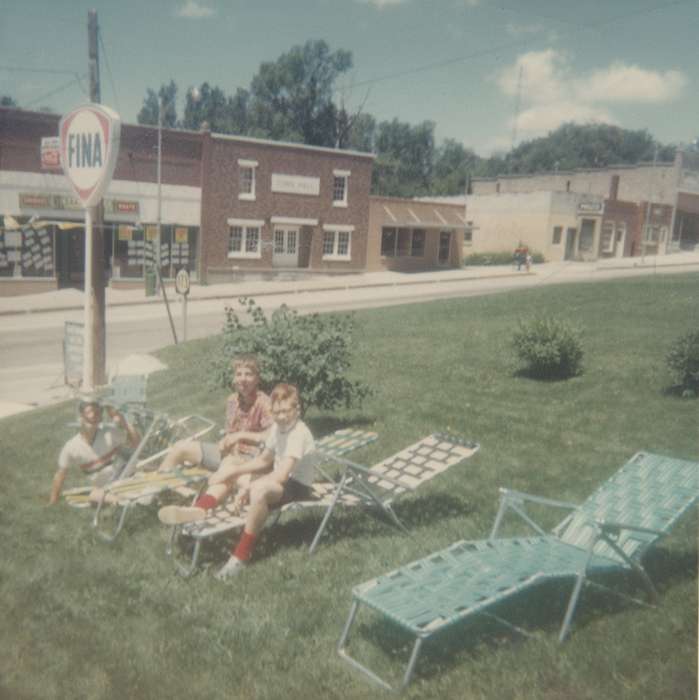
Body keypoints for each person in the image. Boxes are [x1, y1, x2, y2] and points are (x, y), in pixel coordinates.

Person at [158, 383, 316, 580]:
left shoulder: (298, 434)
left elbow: (282, 475)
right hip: (278, 479)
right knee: (230, 466)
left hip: (297, 487)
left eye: (286, 411)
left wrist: (249, 487)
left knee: (259, 490)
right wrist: (231, 472)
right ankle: (199, 509)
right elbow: (264, 460)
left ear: (297, 409)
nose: (282, 417)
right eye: (277, 412)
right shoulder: (278, 428)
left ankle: (240, 557)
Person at [156, 355, 273, 506]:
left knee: (226, 468)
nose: (242, 379)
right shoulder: (232, 400)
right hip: (227, 453)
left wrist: (241, 436)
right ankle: (164, 493)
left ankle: (197, 505)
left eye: (248, 374)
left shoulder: (264, 403)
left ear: (257, 379)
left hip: (249, 459)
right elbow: (230, 431)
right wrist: (227, 441)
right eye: (239, 374)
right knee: (180, 447)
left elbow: (271, 436)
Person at [49, 399, 142, 505]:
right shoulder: (71, 447)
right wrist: (53, 501)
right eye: (89, 412)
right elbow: (60, 474)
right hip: (104, 487)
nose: (93, 416)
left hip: (124, 477)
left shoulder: (109, 432)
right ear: (80, 418)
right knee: (82, 493)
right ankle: (120, 500)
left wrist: (123, 422)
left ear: (101, 419)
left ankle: (121, 499)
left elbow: (137, 444)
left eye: (97, 413)